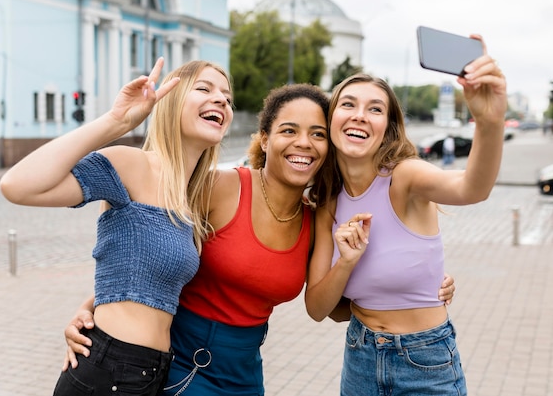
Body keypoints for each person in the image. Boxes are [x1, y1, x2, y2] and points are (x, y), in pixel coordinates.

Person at [62, 84, 457, 395]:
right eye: (289, 130)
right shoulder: (217, 186)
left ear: (329, 148)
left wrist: (414, 286)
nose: (304, 143)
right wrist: (96, 304)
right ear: (265, 138)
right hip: (185, 365)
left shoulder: (316, 217)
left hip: (247, 374)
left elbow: (337, 308)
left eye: (318, 134)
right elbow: (146, 239)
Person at [0, 58, 234, 396]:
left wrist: (88, 306)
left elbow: (138, 276)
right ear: (170, 100)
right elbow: (17, 185)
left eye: (226, 96)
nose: (221, 100)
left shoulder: (191, 198)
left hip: (152, 375)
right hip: (107, 371)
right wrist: (115, 122)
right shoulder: (131, 164)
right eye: (204, 89)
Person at [304, 34, 506, 396]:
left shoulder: (405, 177)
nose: (360, 116)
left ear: (388, 127)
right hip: (360, 356)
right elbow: (318, 309)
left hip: (424, 360)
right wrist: (346, 262)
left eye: (375, 109)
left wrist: (489, 123)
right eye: (348, 104)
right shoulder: (328, 203)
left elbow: (472, 189)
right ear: (332, 119)